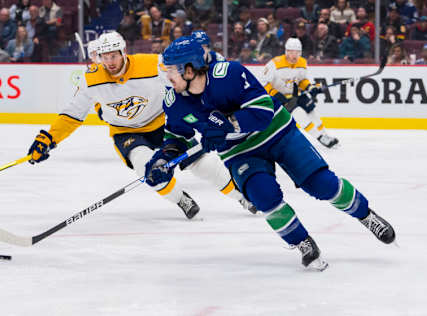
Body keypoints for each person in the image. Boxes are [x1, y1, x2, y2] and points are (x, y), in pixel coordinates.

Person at [145, 36, 396, 270]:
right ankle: (302, 242)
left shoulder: (229, 74)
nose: (167, 77)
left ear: (189, 70)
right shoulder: (174, 102)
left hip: (278, 132)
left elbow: (263, 109)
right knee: (263, 196)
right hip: (239, 152)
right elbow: (177, 136)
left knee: (322, 185)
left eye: (171, 70)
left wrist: (228, 124)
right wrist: (163, 159)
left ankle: (366, 215)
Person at [27, 32, 256, 221]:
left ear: (123, 52)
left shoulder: (152, 64)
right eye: (105, 57)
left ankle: (242, 197)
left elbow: (186, 81)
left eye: (114, 56)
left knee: (203, 164)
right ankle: (181, 200)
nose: (109, 62)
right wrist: (48, 138)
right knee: (146, 169)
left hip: (162, 125)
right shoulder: (91, 79)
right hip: (126, 133)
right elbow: (73, 114)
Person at [262, 38, 339, 148]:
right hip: (277, 97)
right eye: (291, 52)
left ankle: (325, 135)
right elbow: (264, 82)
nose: (294, 55)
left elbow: (302, 80)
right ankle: (319, 137)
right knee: (297, 112)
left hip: (294, 94)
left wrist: (310, 87)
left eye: (297, 52)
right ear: (286, 51)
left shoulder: (302, 62)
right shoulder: (275, 63)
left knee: (311, 109)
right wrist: (275, 94)